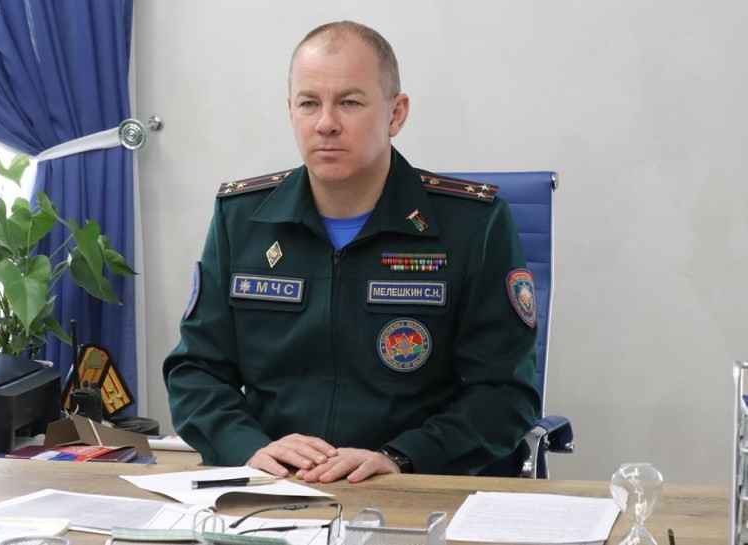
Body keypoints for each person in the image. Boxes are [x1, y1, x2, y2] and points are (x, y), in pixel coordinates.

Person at [163, 20, 540, 484]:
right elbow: (196, 371)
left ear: (396, 114)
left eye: (349, 102)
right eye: (309, 103)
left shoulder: (472, 224)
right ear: (290, 111)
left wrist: (403, 457)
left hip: (411, 485)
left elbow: (505, 393)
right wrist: (248, 447)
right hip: (272, 487)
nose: (326, 123)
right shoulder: (241, 218)